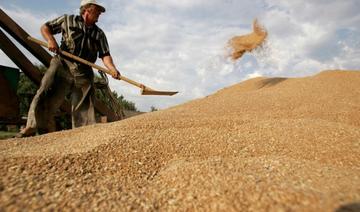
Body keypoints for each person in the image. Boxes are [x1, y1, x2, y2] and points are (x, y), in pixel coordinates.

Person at [17, 0, 120, 137]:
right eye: (97, 11)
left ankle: (82, 134)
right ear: (87, 10)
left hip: (84, 69)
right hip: (63, 63)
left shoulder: (99, 34)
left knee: (84, 103)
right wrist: (50, 40)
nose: (100, 14)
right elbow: (45, 27)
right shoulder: (67, 19)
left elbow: (105, 54)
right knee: (47, 91)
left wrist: (112, 68)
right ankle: (32, 126)